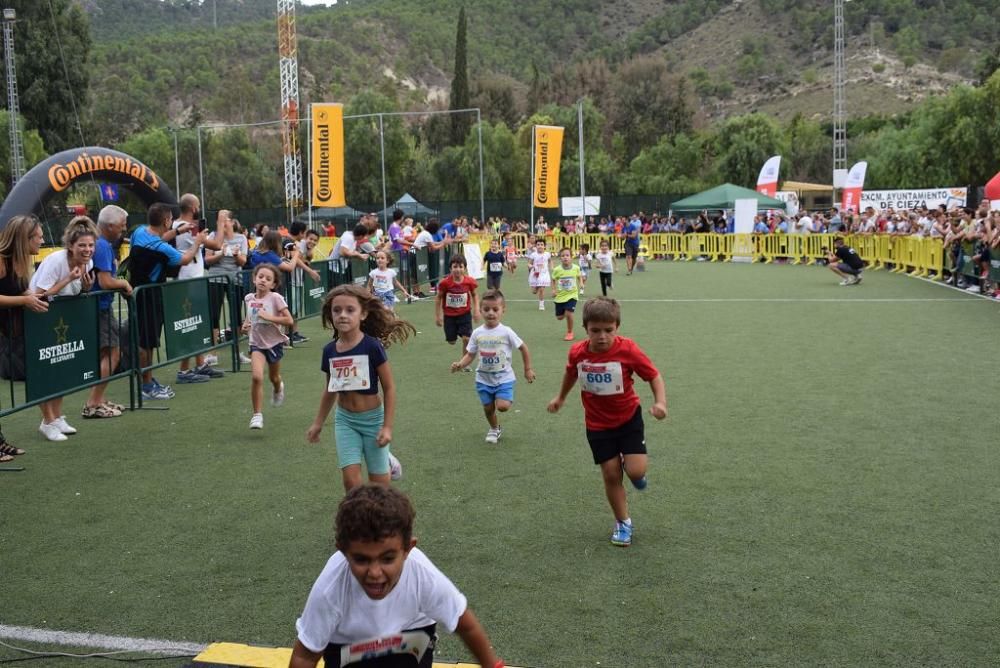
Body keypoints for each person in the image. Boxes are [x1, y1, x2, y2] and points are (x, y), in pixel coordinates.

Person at [289, 485, 503, 668]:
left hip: (410, 643)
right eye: (362, 560)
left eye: (388, 559)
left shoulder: (422, 574)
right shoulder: (330, 587)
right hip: (346, 651)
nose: (374, 573)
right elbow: (304, 657)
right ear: (343, 551)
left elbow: (466, 624)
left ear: (408, 549)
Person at [547, 297, 667, 547]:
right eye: (595, 330)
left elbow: (653, 375)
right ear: (585, 329)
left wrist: (660, 403)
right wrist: (560, 398)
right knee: (611, 475)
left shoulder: (628, 349)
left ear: (617, 327)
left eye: (608, 330)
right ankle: (623, 523)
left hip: (628, 419)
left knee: (636, 471)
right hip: (598, 424)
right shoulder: (578, 352)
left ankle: (633, 470)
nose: (602, 336)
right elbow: (571, 374)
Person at [306, 285, 415, 491]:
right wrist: (318, 423)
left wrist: (387, 427)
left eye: (350, 310)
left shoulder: (372, 346)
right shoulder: (329, 351)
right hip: (345, 420)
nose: (342, 315)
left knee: (379, 487)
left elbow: (389, 388)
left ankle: (386, 460)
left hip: (373, 420)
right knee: (351, 482)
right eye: (336, 310)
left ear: (363, 313)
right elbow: (330, 388)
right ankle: (358, 522)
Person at [29, 216, 99, 441]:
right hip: (39, 316)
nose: (87, 250)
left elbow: (76, 292)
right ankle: (47, 421)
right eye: (82, 246)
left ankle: (57, 417)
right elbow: (39, 294)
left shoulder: (88, 262)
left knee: (62, 366)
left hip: (62, 319)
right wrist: (68, 278)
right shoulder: (56, 261)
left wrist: (86, 287)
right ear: (70, 245)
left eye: (90, 245)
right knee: (46, 370)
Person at [129, 202, 208, 401]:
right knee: (147, 342)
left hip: (138, 292)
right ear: (166, 220)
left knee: (146, 340)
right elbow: (185, 259)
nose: (172, 222)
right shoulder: (162, 249)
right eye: (171, 220)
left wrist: (178, 231)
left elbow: (158, 238)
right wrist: (198, 241)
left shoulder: (139, 233)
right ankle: (146, 386)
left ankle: (147, 380)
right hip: (150, 296)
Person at [450, 290, 535, 444]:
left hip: (504, 378)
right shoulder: (477, 333)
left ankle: (501, 398)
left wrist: (527, 369)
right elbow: (470, 354)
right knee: (488, 409)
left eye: (495, 309)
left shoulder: (506, 331)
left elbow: (523, 348)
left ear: (503, 310)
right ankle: (495, 428)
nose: (491, 313)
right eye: (486, 309)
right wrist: (460, 364)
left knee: (502, 406)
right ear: (480, 310)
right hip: (483, 379)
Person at [0, 215, 48, 460]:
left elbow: (24, 291)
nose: (42, 240)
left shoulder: (21, 263)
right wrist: (25, 300)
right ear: (24, 239)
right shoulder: (1, 260)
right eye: (38, 236)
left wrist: (35, 299)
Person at [84, 205, 132, 419]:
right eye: (121, 227)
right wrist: (123, 284)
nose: (123, 231)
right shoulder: (102, 246)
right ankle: (93, 402)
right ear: (110, 226)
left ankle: (99, 399)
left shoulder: (101, 244)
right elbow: (104, 282)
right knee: (113, 353)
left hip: (98, 307)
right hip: (100, 307)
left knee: (107, 353)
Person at [172, 195, 225, 384]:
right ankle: (184, 371)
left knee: (197, 323)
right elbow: (217, 244)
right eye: (199, 205)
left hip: (191, 279)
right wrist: (221, 222)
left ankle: (200, 364)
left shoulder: (177, 226)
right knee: (190, 324)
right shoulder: (187, 227)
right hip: (188, 281)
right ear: (193, 207)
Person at [242, 264, 294, 430]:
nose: (263, 280)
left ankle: (278, 388)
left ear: (273, 284)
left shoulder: (275, 298)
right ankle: (257, 415)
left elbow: (289, 320)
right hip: (256, 343)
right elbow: (249, 319)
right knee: (257, 377)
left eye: (268, 279)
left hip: (273, 343)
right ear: (254, 278)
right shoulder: (249, 298)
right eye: (261, 276)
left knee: (274, 377)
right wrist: (245, 326)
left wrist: (270, 317)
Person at [205, 211, 249, 364]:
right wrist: (221, 254)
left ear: (232, 222)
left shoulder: (241, 238)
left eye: (226, 220)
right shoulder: (212, 236)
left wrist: (236, 255)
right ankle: (212, 354)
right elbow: (208, 260)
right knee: (213, 316)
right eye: (220, 220)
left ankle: (237, 352)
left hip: (235, 280)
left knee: (236, 315)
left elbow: (243, 262)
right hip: (215, 279)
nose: (223, 223)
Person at [435, 255, 479, 354]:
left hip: (465, 314)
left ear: (465, 268)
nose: (458, 270)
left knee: (466, 339)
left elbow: (475, 295)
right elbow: (438, 298)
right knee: (451, 341)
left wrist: (476, 310)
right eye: (455, 267)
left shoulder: (469, 282)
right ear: (450, 268)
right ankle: (458, 332)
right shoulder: (445, 283)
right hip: (449, 316)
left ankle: (464, 363)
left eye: (460, 267)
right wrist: (438, 316)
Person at [551, 247, 583, 341]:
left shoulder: (576, 268)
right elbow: (553, 280)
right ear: (560, 258)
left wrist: (581, 283)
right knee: (559, 317)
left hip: (572, 295)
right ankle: (565, 312)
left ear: (571, 257)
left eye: (567, 255)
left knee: (569, 313)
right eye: (563, 256)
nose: (565, 257)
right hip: (561, 296)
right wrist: (553, 290)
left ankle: (570, 332)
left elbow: (579, 276)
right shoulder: (557, 270)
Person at [526, 238, 551, 310]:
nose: (540, 246)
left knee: (542, 289)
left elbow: (550, 261)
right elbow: (529, 263)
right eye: (538, 245)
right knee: (534, 291)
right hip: (535, 274)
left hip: (544, 274)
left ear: (544, 246)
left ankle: (541, 304)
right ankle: (537, 286)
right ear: (536, 246)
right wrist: (531, 266)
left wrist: (551, 267)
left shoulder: (547, 254)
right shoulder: (533, 255)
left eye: (542, 245)